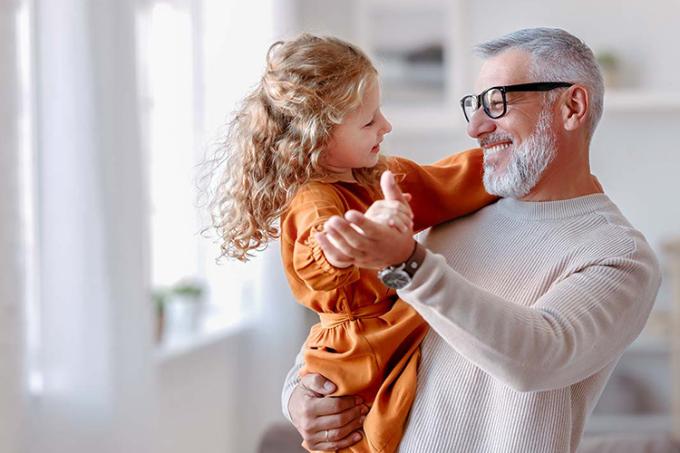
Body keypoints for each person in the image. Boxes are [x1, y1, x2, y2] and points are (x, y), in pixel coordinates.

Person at [282, 28, 662, 452]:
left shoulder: (618, 255)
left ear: (572, 106)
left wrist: (409, 263)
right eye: (474, 105)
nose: (476, 128)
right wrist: (299, 396)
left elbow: (537, 356)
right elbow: (358, 325)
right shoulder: (454, 215)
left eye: (497, 102)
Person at [205, 33, 495, 453]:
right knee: (363, 438)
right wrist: (357, 239)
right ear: (318, 137)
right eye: (369, 120)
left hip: (383, 331)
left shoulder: (377, 175)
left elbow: (444, 182)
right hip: (356, 351)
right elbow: (320, 255)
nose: (386, 125)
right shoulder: (314, 198)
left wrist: (505, 160)